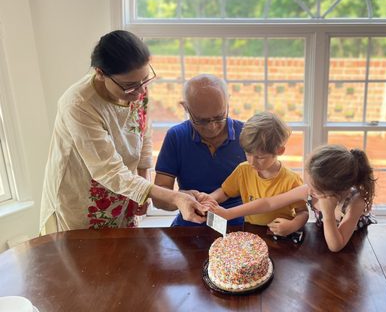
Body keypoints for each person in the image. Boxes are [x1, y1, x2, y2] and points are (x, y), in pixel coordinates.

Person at [40, 30, 207, 233]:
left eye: (145, 80)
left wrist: (144, 179)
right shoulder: (78, 104)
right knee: (87, 258)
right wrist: (173, 196)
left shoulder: (137, 86)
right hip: (83, 195)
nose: (140, 92)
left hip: (126, 187)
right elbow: (108, 170)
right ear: (100, 73)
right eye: (130, 86)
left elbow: (143, 132)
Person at [210, 144, 376, 252]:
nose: (308, 189)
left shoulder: (356, 202)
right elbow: (269, 203)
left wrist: (327, 212)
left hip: (352, 246)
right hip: (320, 240)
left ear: (335, 192)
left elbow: (336, 245)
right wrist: (228, 213)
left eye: (314, 188)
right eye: (308, 183)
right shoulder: (311, 190)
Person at [153, 74, 246, 226]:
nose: (212, 127)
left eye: (219, 117)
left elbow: (267, 186)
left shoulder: (246, 134)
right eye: (202, 120)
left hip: (240, 221)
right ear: (185, 107)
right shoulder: (176, 136)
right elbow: (158, 198)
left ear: (228, 101)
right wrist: (181, 198)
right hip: (192, 221)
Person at [208, 112, 309, 235]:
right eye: (247, 153)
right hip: (250, 230)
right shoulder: (243, 170)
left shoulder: (292, 180)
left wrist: (293, 225)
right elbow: (225, 192)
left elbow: (303, 212)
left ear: (280, 151)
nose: (251, 162)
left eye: (260, 157)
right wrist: (209, 200)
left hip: (280, 235)